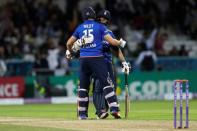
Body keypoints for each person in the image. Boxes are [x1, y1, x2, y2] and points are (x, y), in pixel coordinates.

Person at [66, 7, 126, 120]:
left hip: (83, 59)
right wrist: (121, 42)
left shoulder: (80, 27)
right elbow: (113, 43)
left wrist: (70, 51)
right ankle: (114, 108)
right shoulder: (100, 27)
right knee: (107, 84)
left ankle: (82, 114)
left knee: (83, 87)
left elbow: (68, 43)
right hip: (97, 59)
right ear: (94, 16)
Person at [92, 9, 130, 119]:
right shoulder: (92, 31)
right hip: (96, 62)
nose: (102, 19)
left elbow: (117, 50)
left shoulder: (109, 33)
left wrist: (124, 63)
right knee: (99, 87)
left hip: (108, 63)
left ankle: (112, 109)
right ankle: (101, 111)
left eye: (104, 18)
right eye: (100, 17)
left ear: (107, 20)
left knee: (111, 87)